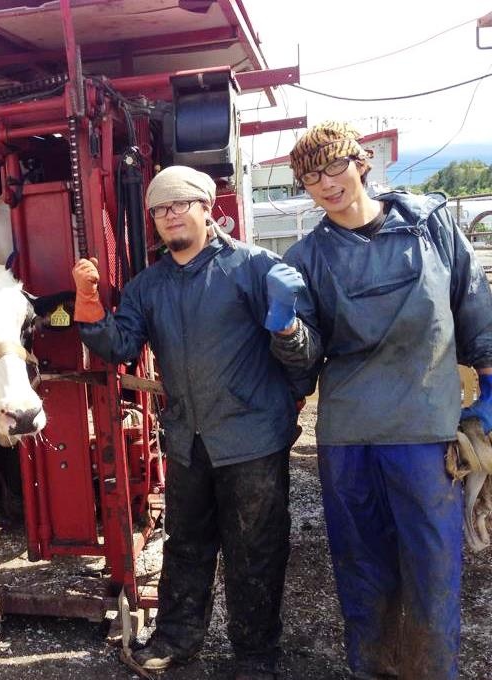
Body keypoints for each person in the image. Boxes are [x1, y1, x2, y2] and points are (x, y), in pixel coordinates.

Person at [270, 121, 492, 680]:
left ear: (361, 162)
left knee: (432, 566)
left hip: (424, 430)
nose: (326, 183)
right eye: (311, 176)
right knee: (361, 568)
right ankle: (371, 670)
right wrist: (286, 330)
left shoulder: (432, 225)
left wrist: (490, 389)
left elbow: (473, 305)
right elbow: (308, 357)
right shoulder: (307, 256)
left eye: (334, 166)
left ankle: (433, 671)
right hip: (349, 435)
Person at [72, 166, 300, 680]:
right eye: (160, 208)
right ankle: (176, 639)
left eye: (180, 204)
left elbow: (302, 358)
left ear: (206, 206)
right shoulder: (147, 286)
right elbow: (121, 346)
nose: (170, 214)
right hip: (188, 442)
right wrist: (89, 311)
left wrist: (289, 335)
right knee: (186, 545)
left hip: (253, 441)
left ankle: (255, 655)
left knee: (255, 551)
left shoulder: (254, 267)